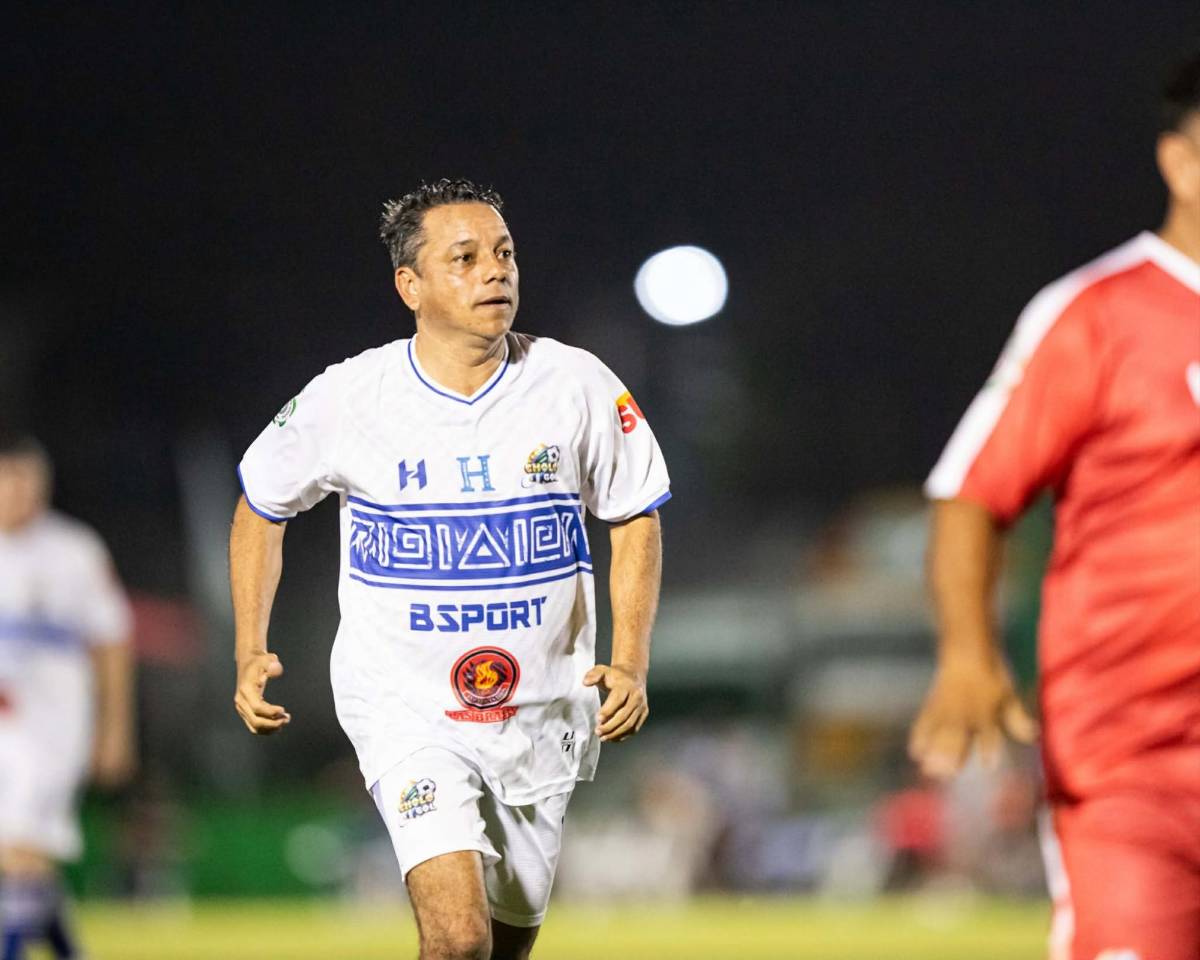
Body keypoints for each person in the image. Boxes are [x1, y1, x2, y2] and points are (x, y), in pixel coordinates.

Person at [230, 178, 669, 960]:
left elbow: (635, 515)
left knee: (499, 948)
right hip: (408, 711)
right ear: (411, 285)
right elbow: (261, 503)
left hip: (541, 714)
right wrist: (248, 645)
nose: (495, 271)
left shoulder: (577, 385)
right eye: (464, 258)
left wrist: (630, 659)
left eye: (503, 253)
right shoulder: (350, 397)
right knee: (457, 938)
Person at [910, 49, 1200, 960]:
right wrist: (968, 653)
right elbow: (970, 494)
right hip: (1132, 762)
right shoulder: (1096, 314)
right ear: (1181, 161)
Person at [0, 434, 136, 960]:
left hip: (53, 725)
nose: (19, 491)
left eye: (27, 479)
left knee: (21, 845)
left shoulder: (73, 551)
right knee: (24, 851)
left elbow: (113, 644)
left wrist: (115, 730)